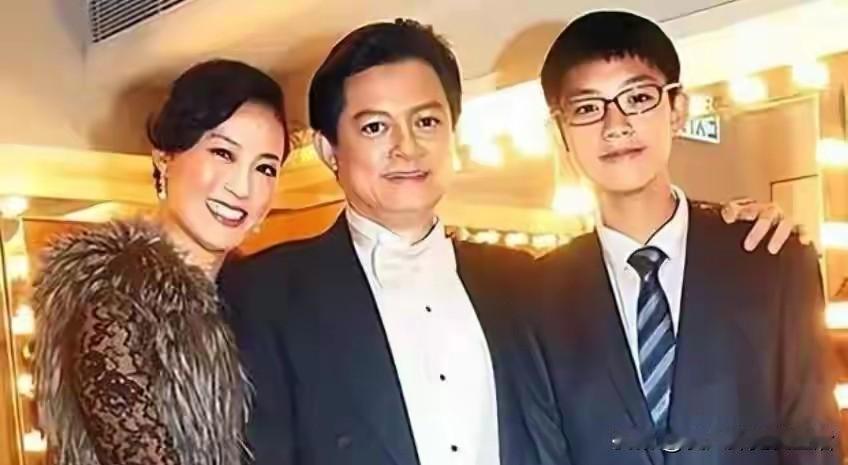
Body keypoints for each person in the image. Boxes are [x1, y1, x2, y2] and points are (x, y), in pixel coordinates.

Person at [222, 18, 796, 465]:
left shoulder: (524, 281)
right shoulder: (267, 292)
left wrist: (723, 228)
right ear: (329, 150)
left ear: (453, 133)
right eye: (375, 126)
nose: (407, 147)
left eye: (426, 122)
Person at [531, 10, 841, 465]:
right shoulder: (535, 298)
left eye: (638, 98)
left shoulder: (770, 258)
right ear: (561, 131)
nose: (615, 125)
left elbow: (811, 438)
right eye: (587, 108)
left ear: (677, 110)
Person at [33, 59, 290, 465]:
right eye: (223, 153)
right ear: (165, 158)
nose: (243, 187)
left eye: (265, 168)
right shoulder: (112, 303)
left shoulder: (259, 302)